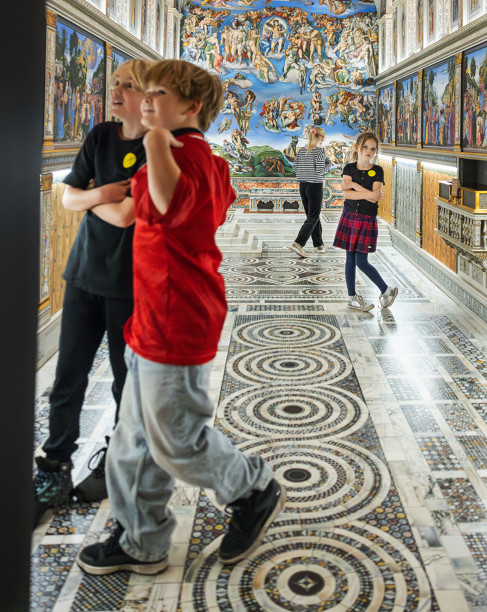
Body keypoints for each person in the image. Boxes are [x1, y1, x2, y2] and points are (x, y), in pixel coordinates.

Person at [77, 60, 284, 576]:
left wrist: (151, 140)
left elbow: (166, 205)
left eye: (158, 93)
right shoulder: (187, 157)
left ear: (191, 107)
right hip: (151, 317)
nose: (145, 100)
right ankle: (141, 539)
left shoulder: (184, 156)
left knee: (175, 440)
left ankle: (252, 488)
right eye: (143, 92)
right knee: (131, 441)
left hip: (178, 318)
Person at [33, 59, 152, 528]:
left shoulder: (156, 148)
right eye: (114, 83)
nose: (115, 91)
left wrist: (93, 197)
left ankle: (114, 463)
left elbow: (129, 217)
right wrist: (105, 194)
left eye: (126, 85)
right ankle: (54, 467)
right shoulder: (100, 136)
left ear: (148, 96)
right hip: (82, 275)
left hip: (128, 283)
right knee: (67, 379)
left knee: (126, 384)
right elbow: (68, 197)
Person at [333, 131, 398, 313]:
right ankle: (352, 297)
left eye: (373, 149)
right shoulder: (349, 168)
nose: (369, 151)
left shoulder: (377, 170)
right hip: (350, 217)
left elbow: (375, 199)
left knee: (361, 261)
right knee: (350, 259)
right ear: (357, 148)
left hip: (367, 219)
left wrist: (355, 186)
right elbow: (346, 193)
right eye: (365, 147)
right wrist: (364, 192)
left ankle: (386, 290)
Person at [289, 126, 332, 258]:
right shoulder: (319, 151)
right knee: (313, 216)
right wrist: (329, 164)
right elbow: (320, 170)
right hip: (315, 186)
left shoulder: (302, 150)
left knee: (312, 216)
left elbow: (295, 168)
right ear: (322, 138)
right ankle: (298, 243)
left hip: (303, 186)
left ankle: (319, 244)